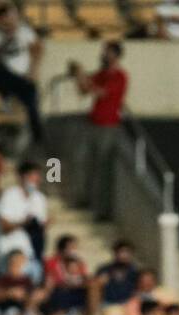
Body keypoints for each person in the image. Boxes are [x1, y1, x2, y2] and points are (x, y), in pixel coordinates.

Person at [67, 41, 128, 220]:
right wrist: (79, 76)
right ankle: (83, 199)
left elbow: (101, 92)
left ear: (115, 55)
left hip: (109, 126)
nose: (103, 55)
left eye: (107, 52)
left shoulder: (120, 76)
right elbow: (84, 91)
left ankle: (103, 210)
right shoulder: (101, 74)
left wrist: (83, 75)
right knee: (83, 162)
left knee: (103, 169)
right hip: (93, 123)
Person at [0, 3, 43, 142]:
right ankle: (5, 103)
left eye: (15, 15)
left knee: (32, 101)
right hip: (5, 74)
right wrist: (8, 38)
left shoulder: (24, 30)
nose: (15, 19)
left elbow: (38, 49)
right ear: (1, 18)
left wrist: (33, 69)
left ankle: (38, 137)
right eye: (11, 15)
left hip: (23, 76)